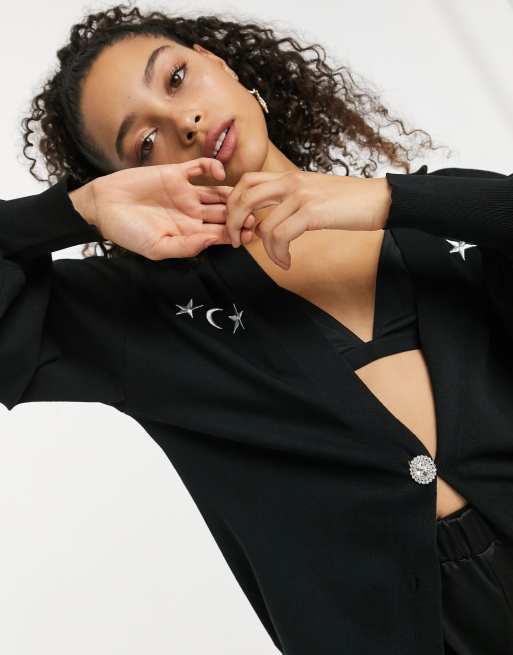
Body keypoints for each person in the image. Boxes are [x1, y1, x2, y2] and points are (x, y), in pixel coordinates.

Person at [4, 4, 513, 653]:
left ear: (221, 64)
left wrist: (388, 198)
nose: (183, 122)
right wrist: (79, 210)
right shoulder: (147, 318)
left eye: (177, 78)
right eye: (144, 144)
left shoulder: (441, 218)